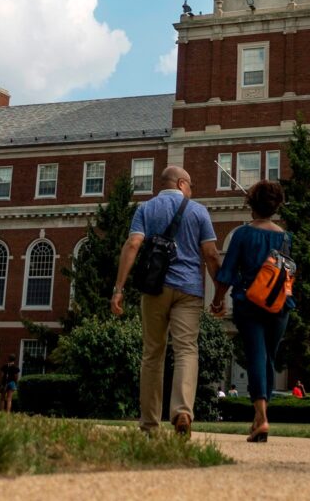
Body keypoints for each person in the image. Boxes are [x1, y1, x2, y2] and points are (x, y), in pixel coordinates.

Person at [112, 165, 221, 435]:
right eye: (191, 185)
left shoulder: (145, 209)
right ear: (182, 183)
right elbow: (210, 255)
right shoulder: (198, 211)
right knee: (186, 350)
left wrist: (119, 288)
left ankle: (150, 424)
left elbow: (133, 244)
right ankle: (183, 411)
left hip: (154, 289)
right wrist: (219, 293)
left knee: (152, 354)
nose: (192, 190)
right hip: (189, 290)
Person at [211, 180, 293, 443]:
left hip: (249, 302)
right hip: (280, 305)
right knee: (268, 357)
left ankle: (261, 417)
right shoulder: (285, 237)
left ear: (250, 205)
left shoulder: (243, 234)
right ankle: (261, 417)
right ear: (276, 206)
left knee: (257, 355)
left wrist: (217, 300)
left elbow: (227, 272)